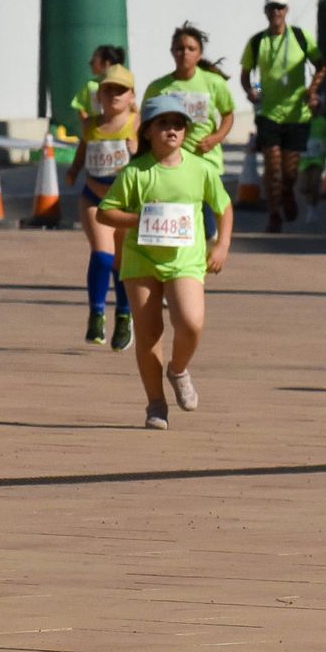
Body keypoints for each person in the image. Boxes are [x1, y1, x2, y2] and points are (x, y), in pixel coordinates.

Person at [96, 95, 233, 431]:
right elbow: (105, 212)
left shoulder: (200, 169)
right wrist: (138, 218)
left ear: (185, 131)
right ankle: (156, 403)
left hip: (185, 260)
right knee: (149, 332)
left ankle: (178, 369)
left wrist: (222, 245)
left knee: (191, 322)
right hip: (142, 259)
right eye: (163, 124)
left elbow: (224, 207)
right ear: (148, 131)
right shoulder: (135, 172)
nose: (171, 130)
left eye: (178, 124)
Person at [65, 63, 138, 351]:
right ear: (99, 95)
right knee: (102, 255)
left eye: (121, 90)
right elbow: (83, 149)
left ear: (131, 95)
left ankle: (124, 314)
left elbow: (154, 154)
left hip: (125, 203)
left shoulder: (138, 124)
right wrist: (74, 170)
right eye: (108, 90)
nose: (114, 95)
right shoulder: (91, 125)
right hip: (94, 198)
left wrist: (137, 151)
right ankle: (96, 312)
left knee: (122, 261)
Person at [239, 0, 325, 233]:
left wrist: (312, 91)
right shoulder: (258, 42)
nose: (276, 11)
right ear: (265, 11)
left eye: (280, 7)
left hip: (297, 114)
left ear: (287, 10)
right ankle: (274, 213)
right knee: (273, 167)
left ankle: (288, 192)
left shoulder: (300, 37)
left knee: (289, 171)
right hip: (268, 113)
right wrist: (251, 91)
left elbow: (321, 65)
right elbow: (246, 74)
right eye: (272, 7)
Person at [144, 23, 233, 243]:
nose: (184, 53)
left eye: (191, 49)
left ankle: (210, 239)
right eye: (179, 48)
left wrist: (216, 138)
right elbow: (145, 121)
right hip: (172, 161)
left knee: (207, 219)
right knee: (181, 215)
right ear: (172, 52)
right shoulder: (160, 87)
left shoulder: (213, 83)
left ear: (199, 54)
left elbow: (228, 114)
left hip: (206, 160)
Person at [71, 45, 126, 138]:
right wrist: (89, 127)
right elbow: (81, 108)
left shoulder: (122, 85)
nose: (90, 63)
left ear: (106, 63)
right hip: (97, 137)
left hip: (118, 135)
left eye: (94, 59)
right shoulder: (91, 86)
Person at [295, 104, 326, 225]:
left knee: (314, 183)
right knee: (303, 187)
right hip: (304, 158)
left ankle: (312, 208)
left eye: (315, 108)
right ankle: (310, 202)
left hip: (318, 157)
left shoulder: (322, 122)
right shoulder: (300, 121)